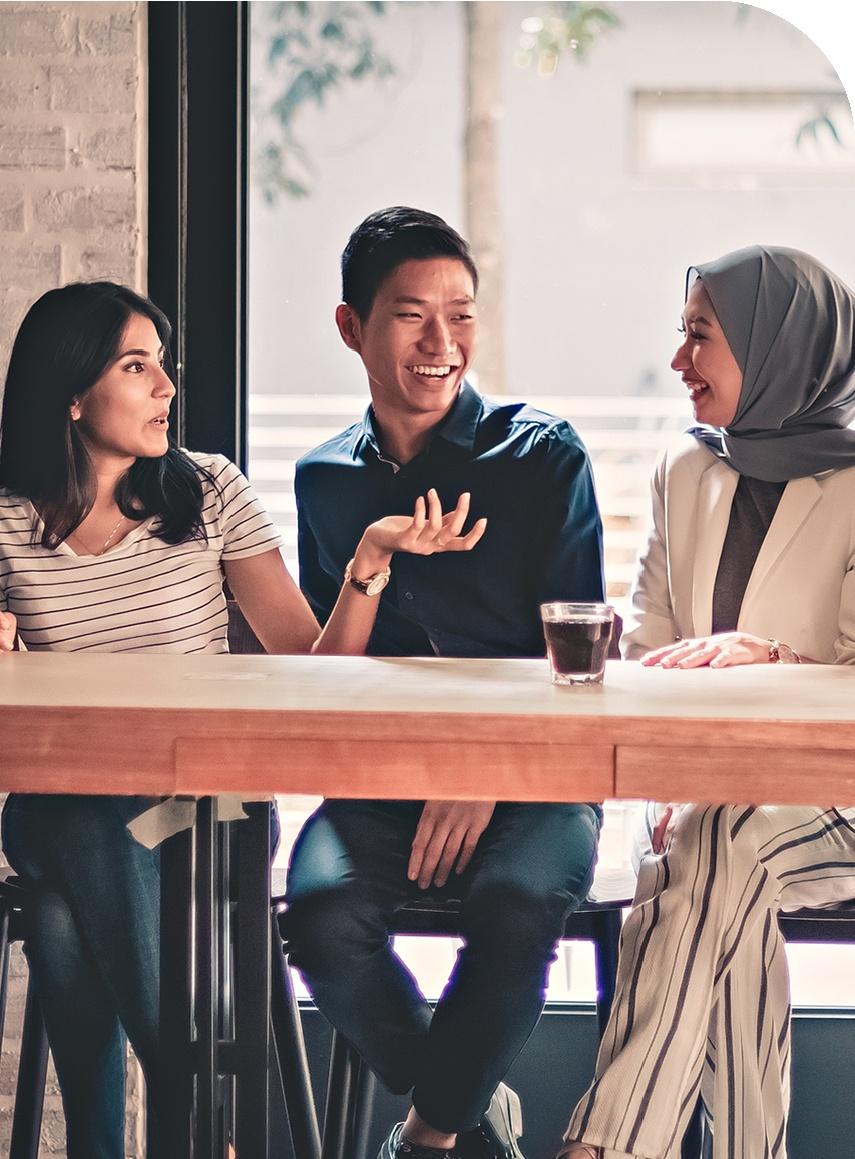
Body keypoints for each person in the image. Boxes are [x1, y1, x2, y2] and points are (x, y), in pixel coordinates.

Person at [0, 280, 484, 1159]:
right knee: (72, 812)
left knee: (63, 915)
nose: (166, 390)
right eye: (136, 366)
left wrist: (368, 562)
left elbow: (310, 671)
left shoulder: (209, 492)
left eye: (164, 366)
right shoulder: (4, 524)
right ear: (71, 393)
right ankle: (208, 1129)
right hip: (70, 804)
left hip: (205, 815)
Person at [283, 206, 606, 1159]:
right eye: (411, 315)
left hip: (531, 777)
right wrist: (369, 561)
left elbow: (579, 664)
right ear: (351, 327)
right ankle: (467, 1099)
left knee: (513, 904)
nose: (442, 343)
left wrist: (480, 769)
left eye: (461, 314)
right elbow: (326, 685)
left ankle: (430, 1131)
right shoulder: (324, 481)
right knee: (319, 915)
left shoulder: (543, 456)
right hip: (381, 783)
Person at [558, 245, 855, 1159]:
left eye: (700, 336)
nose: (679, 360)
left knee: (713, 847)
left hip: (836, 799)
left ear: (775, 349)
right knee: (718, 853)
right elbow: (650, 654)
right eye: (680, 335)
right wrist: (670, 783)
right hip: (706, 800)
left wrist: (768, 656)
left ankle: (605, 1144)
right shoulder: (684, 473)